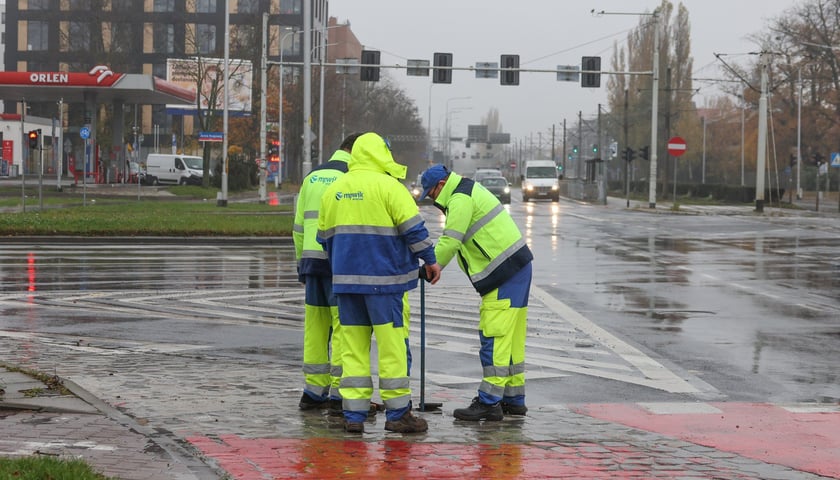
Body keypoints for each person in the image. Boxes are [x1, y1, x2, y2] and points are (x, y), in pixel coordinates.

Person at [318, 132, 441, 434]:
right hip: (384, 284)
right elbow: (414, 230)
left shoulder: (334, 190)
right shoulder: (390, 187)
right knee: (391, 348)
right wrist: (430, 259)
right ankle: (398, 414)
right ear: (380, 155)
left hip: (346, 285)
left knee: (353, 350)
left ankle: (354, 416)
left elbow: (323, 238)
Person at [420, 164, 533, 421]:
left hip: (503, 272)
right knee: (512, 339)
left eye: (431, 194)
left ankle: (489, 402)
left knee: (494, 335)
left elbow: (451, 239)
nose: (432, 199)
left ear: (440, 185)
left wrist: (431, 266)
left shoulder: (460, 198)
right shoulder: (468, 190)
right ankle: (514, 399)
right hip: (517, 267)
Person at [293, 133, 360, 413]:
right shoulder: (351, 178)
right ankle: (339, 393)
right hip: (338, 264)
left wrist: (301, 264)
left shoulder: (312, 177)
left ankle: (312, 392)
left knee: (315, 329)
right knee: (344, 329)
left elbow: (298, 227)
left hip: (311, 262)